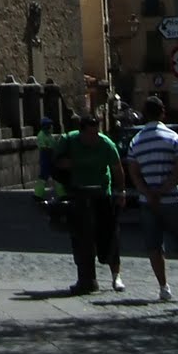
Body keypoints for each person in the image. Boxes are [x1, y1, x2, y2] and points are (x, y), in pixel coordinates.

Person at [124, 96, 178, 303]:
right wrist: (164, 188)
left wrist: (147, 192)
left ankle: (163, 287)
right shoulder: (173, 137)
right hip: (172, 199)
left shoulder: (136, 141)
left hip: (147, 201)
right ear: (162, 113)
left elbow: (133, 172)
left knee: (154, 246)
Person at [53, 111, 126, 294]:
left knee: (109, 235)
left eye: (96, 132)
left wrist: (121, 191)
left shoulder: (106, 144)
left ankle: (116, 277)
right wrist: (65, 164)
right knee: (81, 237)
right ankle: (86, 280)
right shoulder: (70, 141)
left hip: (102, 193)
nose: (94, 137)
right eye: (90, 133)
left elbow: (117, 168)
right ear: (81, 132)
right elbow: (56, 163)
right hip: (79, 194)